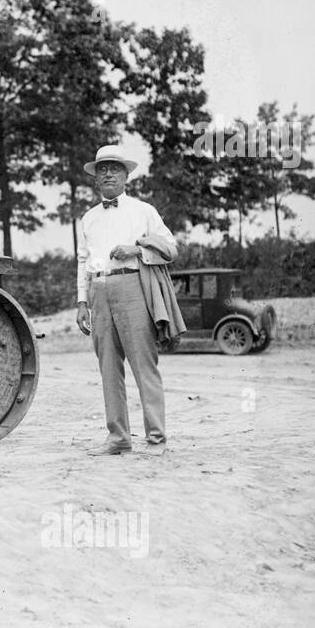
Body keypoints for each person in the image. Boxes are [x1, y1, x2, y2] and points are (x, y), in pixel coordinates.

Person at [75, 145, 178, 456]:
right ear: (95, 178)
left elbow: (170, 248)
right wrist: (82, 301)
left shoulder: (143, 211)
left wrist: (138, 250)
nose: (108, 173)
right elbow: (83, 261)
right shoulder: (88, 218)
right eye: (102, 168)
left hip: (133, 285)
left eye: (115, 168)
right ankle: (118, 437)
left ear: (126, 176)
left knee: (143, 365)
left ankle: (156, 439)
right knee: (108, 368)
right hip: (99, 290)